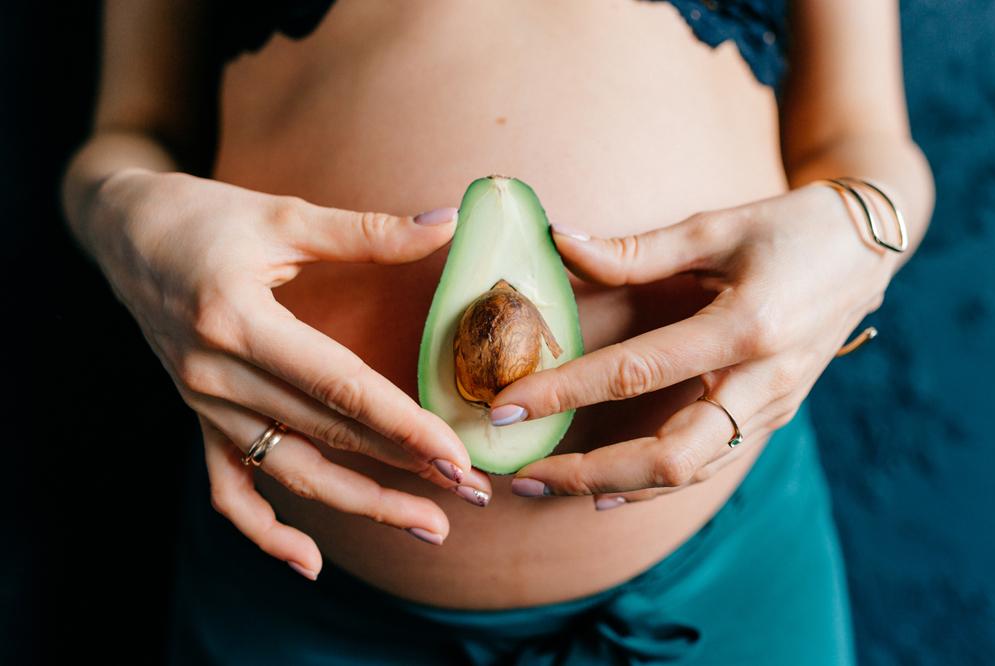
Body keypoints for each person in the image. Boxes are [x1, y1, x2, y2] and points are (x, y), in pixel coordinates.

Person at [61, 1, 934, 663]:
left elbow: (866, 140)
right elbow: (130, 132)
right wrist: (119, 215)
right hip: (291, 567)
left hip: (725, 566)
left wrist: (861, 235)